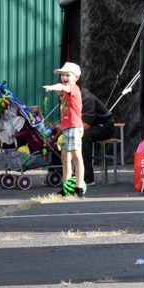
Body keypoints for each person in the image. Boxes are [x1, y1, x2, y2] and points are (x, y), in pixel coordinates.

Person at [43, 62, 85, 196]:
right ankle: (66, 188)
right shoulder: (65, 94)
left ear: (76, 78)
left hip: (74, 128)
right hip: (67, 129)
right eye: (62, 75)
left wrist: (50, 87)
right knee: (65, 158)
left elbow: (61, 87)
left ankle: (78, 189)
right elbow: (61, 89)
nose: (64, 77)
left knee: (77, 158)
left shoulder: (74, 89)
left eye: (68, 75)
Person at [80, 88, 116, 186]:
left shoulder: (87, 98)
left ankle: (88, 178)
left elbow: (87, 125)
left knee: (82, 137)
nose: (61, 98)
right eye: (60, 96)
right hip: (90, 125)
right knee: (61, 135)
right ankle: (58, 173)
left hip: (104, 126)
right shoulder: (66, 99)